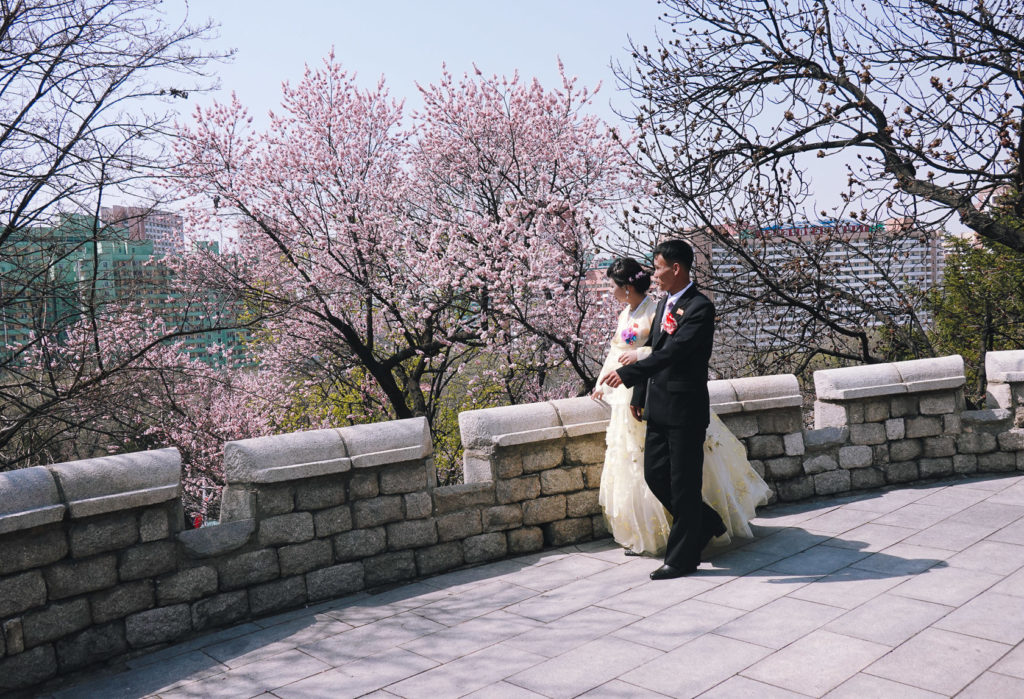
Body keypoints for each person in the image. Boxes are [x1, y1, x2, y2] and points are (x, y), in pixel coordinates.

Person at [600, 241, 769, 579]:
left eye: (659, 267)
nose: (654, 274)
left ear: (676, 268)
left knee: (684, 485)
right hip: (658, 407)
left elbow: (672, 353)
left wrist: (629, 374)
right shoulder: (664, 306)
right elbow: (655, 347)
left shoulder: (699, 308)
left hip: (685, 410)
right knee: (655, 476)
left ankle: (682, 559)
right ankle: (707, 522)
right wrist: (638, 397)